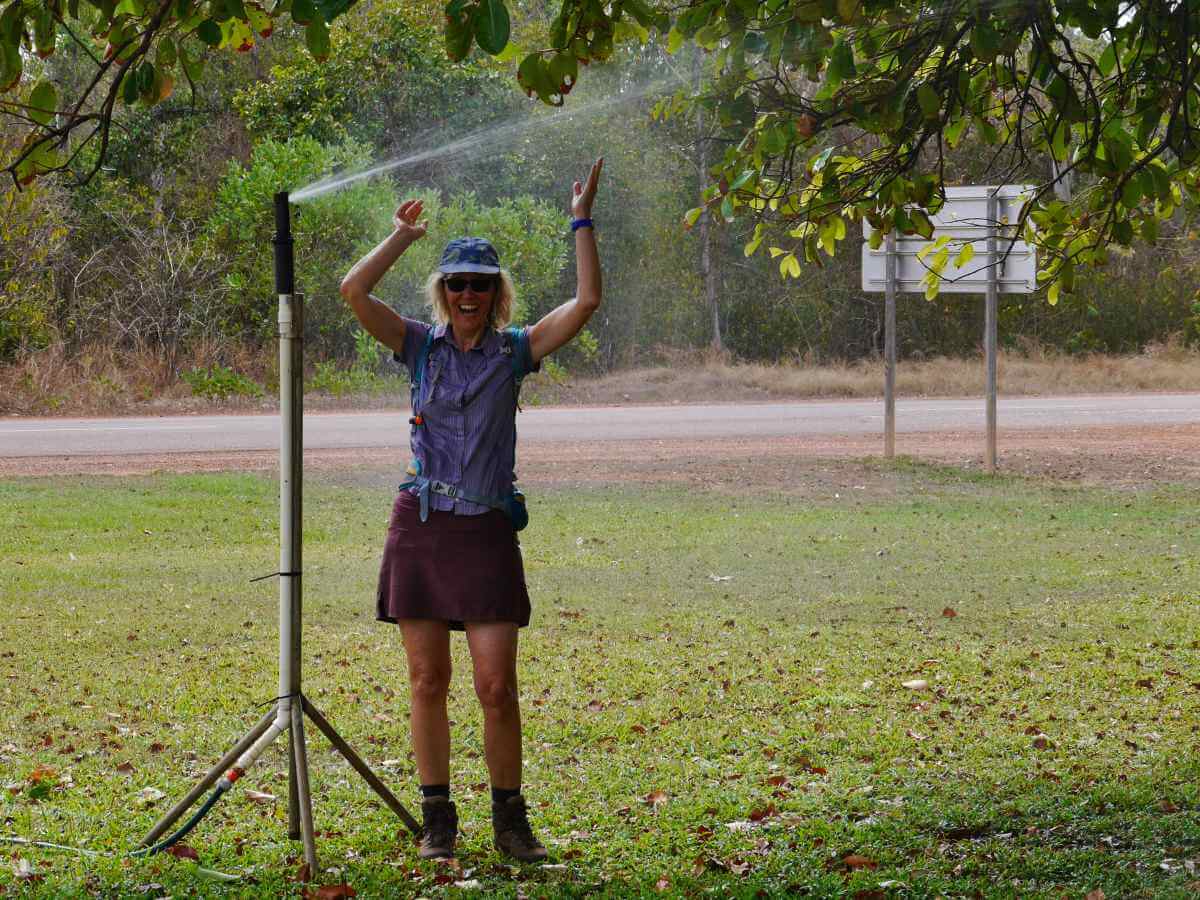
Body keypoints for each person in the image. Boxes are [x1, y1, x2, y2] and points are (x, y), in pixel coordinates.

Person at [338, 159, 604, 862]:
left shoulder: (514, 353)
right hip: (420, 527)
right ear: (443, 290)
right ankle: (438, 820)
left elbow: (584, 305)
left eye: (480, 285)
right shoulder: (418, 347)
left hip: (484, 529)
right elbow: (353, 291)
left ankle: (510, 821)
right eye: (457, 283)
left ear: (495, 294)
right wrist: (399, 236)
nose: (467, 294)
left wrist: (581, 220)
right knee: (428, 679)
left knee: (496, 685)